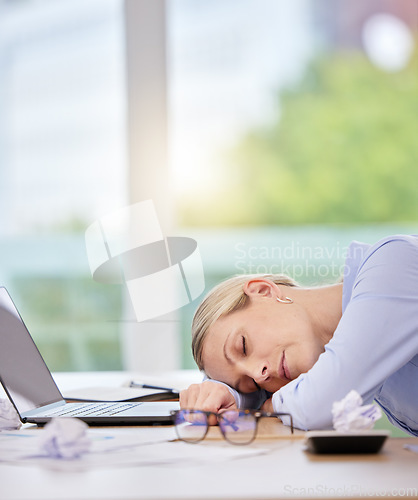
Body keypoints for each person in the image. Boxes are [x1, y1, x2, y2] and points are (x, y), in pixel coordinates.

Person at [180, 234, 418, 436]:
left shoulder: (392, 265)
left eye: (243, 346)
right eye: (250, 384)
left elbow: (320, 404)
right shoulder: (352, 359)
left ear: (263, 290)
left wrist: (269, 406)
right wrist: (229, 394)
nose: (259, 375)